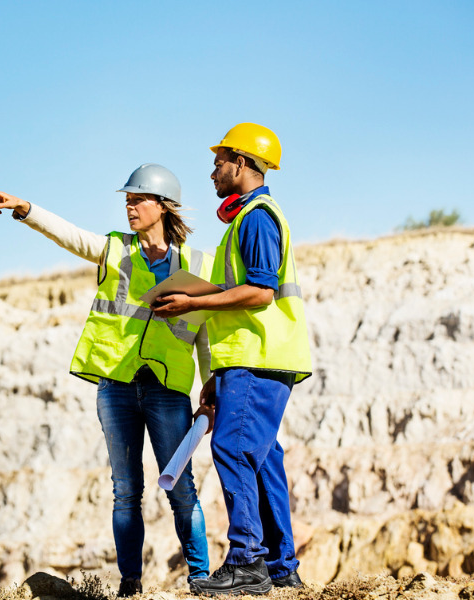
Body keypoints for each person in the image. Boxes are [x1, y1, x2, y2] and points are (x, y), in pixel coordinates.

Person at [0, 164, 212, 596]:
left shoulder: (199, 263)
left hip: (168, 390)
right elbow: (68, 235)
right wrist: (26, 209)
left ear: (162, 206)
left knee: (182, 488)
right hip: (116, 385)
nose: (129, 206)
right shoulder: (115, 250)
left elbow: (204, 329)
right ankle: (131, 584)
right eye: (126, 199)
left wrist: (212, 381)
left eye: (138, 199)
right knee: (126, 491)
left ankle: (200, 578)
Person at [152, 124, 312, 595]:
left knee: (233, 450)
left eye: (219, 162)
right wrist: (216, 374)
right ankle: (281, 567)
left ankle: (246, 561)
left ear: (241, 163)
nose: (213, 171)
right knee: (261, 460)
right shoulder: (247, 220)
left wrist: (193, 303)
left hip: (257, 359)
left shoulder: (258, 217)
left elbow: (261, 291)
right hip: (248, 360)